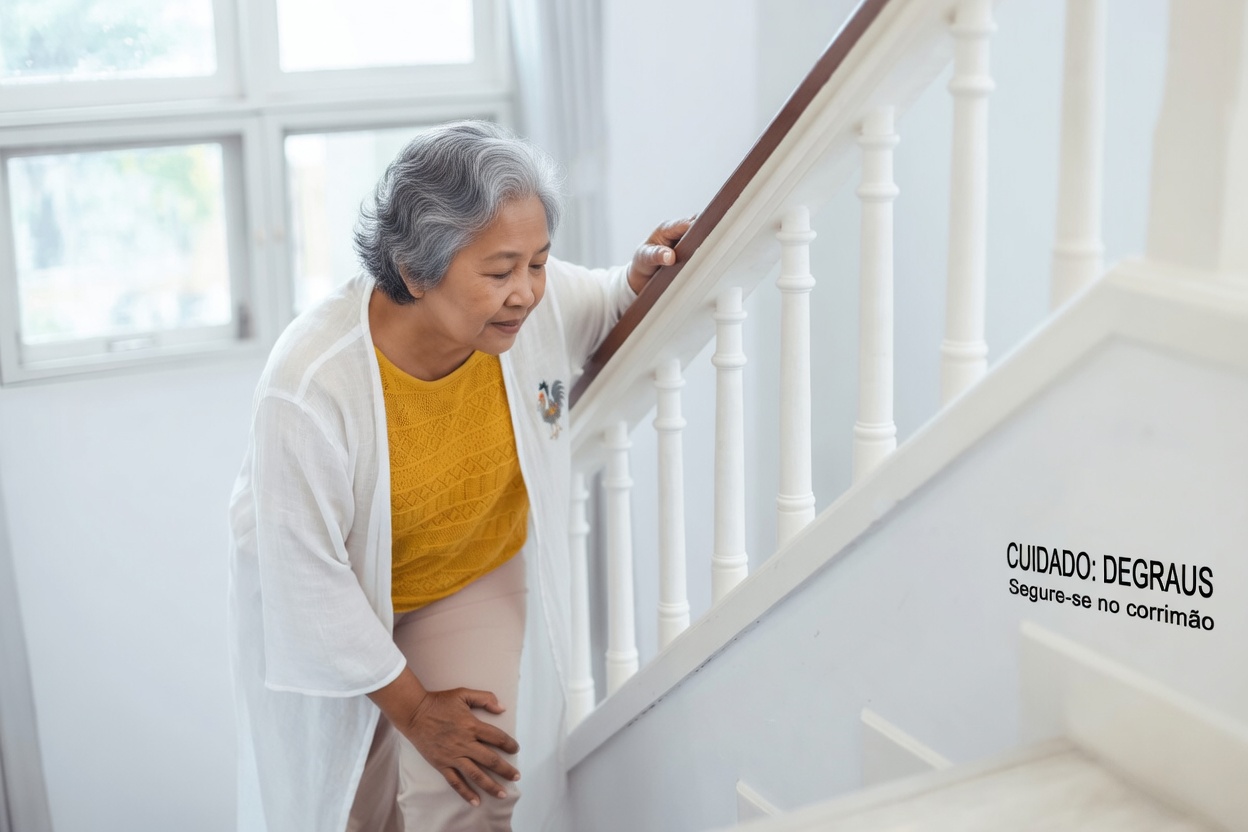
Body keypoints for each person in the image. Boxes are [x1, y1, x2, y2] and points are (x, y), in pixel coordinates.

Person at [227, 120, 691, 832]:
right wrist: (414, 711)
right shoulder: (310, 384)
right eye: (500, 271)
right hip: (338, 603)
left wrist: (633, 279)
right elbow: (306, 579)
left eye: (539, 262)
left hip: (467, 571)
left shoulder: (527, 306)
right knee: (352, 813)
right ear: (415, 271)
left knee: (477, 786)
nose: (526, 293)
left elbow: (597, 301)